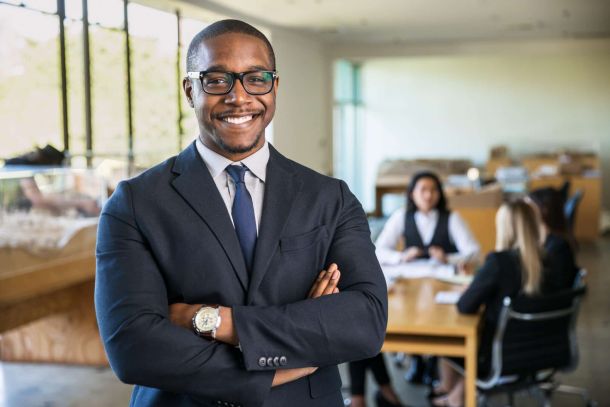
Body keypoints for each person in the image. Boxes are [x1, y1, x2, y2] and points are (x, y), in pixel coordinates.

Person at [94, 19, 388, 407]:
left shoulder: (329, 198)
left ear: (274, 87)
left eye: (256, 78)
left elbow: (364, 322)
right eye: (217, 80)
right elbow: (133, 347)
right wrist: (287, 359)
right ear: (190, 90)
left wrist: (214, 321)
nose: (239, 97)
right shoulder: (134, 204)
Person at [430, 200, 577, 407]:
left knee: (450, 341)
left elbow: (464, 306)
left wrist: (474, 288)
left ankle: (453, 396)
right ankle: (453, 395)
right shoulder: (552, 259)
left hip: (500, 358)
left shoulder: (499, 262)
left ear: (504, 228)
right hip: (547, 350)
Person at [369, 171, 480, 387]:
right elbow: (378, 250)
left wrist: (449, 257)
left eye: (433, 190)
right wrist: (402, 255)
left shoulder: (451, 218)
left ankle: (436, 364)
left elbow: (474, 251)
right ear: (412, 194)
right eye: (423, 190)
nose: (428, 196)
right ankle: (417, 360)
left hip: (442, 283)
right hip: (410, 283)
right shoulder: (402, 216)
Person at [528, 187, 579, 291]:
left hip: (548, 301)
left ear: (544, 210)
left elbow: (553, 285)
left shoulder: (558, 246)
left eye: (528, 208)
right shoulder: (550, 239)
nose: (524, 212)